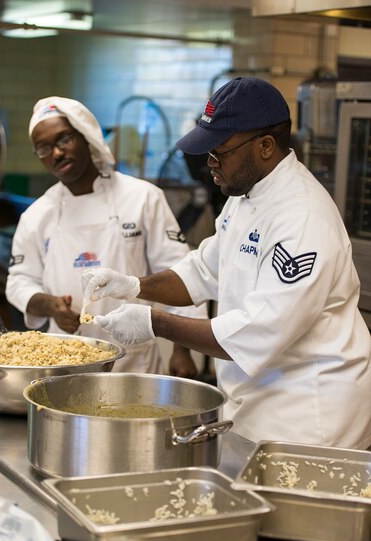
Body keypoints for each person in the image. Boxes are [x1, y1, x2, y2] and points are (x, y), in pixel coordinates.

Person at [81, 77, 371, 449]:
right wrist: (135, 285)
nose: (210, 164)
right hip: (255, 403)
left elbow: (255, 332)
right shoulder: (244, 193)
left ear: (266, 146)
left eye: (219, 152)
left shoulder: (303, 218)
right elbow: (203, 270)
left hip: (307, 416)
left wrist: (155, 322)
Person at [5, 96, 207, 376]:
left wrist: (182, 350)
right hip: (63, 359)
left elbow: (181, 273)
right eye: (44, 148)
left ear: (86, 136)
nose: (57, 153)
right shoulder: (38, 215)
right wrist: (51, 307)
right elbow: (19, 281)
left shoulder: (142, 198)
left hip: (133, 363)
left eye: (64, 140)